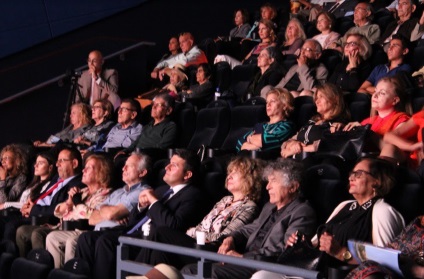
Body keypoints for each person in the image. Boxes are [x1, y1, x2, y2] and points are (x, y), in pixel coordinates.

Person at [251, 157, 405, 279]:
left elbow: (387, 263)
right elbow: (316, 243)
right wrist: (301, 243)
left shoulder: (382, 210)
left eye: (358, 174)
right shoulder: (345, 205)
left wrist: (341, 253)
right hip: (314, 270)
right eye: (351, 173)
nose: (351, 177)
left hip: (341, 274)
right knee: (261, 275)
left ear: (376, 181)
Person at [75, 149, 204, 279]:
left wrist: (153, 201)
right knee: (86, 238)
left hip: (150, 240)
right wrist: (140, 207)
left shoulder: (193, 195)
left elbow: (173, 225)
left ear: (187, 175)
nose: (167, 167)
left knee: (105, 241)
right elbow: (132, 221)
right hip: (132, 232)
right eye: (169, 163)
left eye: (174, 165)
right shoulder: (161, 190)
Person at [181, 158, 317, 279]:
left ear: (293, 187)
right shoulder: (269, 207)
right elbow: (250, 228)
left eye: (273, 181)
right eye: (268, 181)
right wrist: (231, 238)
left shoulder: (303, 212)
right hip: (244, 260)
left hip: (262, 267)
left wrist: (242, 258)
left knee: (206, 273)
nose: (268, 186)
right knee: (189, 270)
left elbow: (285, 250)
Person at [135, 156, 264, 269]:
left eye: (235, 173)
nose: (229, 176)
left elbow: (224, 237)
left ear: (249, 178)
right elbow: (201, 226)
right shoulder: (225, 200)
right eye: (229, 172)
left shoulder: (250, 207)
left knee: (161, 232)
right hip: (198, 243)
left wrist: (197, 233)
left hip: (213, 250)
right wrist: (197, 233)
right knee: (160, 252)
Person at [44, 154, 113, 268]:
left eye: (89, 168)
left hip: (86, 231)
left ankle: (72, 274)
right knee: (52, 238)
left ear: (101, 173)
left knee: (71, 241)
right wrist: (70, 202)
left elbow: (90, 216)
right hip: (68, 227)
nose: (83, 170)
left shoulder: (106, 194)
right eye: (84, 167)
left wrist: (77, 203)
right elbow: (59, 212)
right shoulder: (83, 191)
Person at [15, 146, 85, 257]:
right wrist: (30, 204)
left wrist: (34, 210)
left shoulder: (78, 183)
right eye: (57, 161)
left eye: (62, 161)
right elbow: (45, 195)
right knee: (17, 228)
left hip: (52, 221)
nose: (57, 164)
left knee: (31, 233)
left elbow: (59, 208)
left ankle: (40, 268)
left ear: (74, 163)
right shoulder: (57, 178)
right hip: (37, 214)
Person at [281, 83, 350, 158]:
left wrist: (298, 149)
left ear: (335, 99)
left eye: (321, 97)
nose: (317, 101)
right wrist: (292, 143)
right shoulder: (312, 120)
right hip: (291, 161)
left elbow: (326, 144)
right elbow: (288, 142)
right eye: (316, 98)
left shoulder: (337, 123)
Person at [0, 152, 57, 242]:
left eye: (41, 163)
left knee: (11, 225)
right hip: (21, 211)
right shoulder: (33, 184)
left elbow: (30, 203)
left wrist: (5, 204)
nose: (36, 166)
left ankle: (9, 252)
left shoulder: (49, 185)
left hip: (31, 215)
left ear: (50, 167)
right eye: (36, 163)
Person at [345, 215, 424, 279]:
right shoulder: (418, 222)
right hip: (393, 271)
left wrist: (417, 271)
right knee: (369, 268)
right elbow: (393, 247)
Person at [343, 76, 410, 138]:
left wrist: (365, 131)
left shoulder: (402, 121)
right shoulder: (367, 122)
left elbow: (392, 147)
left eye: (382, 93)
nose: (375, 95)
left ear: (395, 100)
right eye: (375, 91)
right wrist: (343, 129)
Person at [237, 87, 295, 152]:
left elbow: (267, 142)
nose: (268, 105)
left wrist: (250, 138)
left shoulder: (286, 126)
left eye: (272, 101)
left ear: (284, 105)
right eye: (267, 102)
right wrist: (255, 145)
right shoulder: (262, 125)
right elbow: (239, 143)